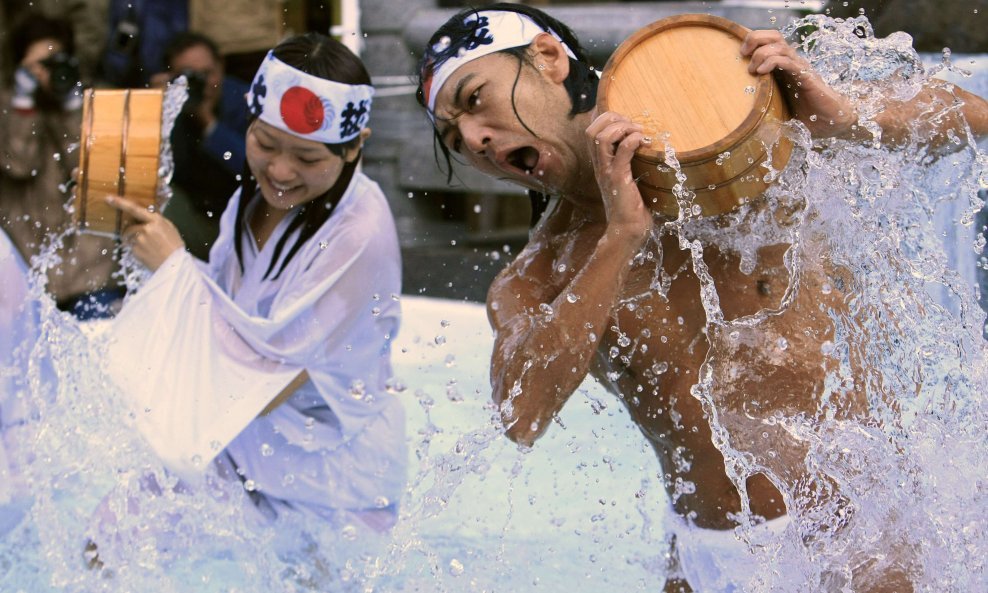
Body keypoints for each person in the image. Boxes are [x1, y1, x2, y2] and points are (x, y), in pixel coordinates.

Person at [414, 4, 988, 592]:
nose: (475, 139)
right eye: (454, 138)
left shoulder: (741, 142)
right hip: (706, 555)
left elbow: (971, 115)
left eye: (475, 99)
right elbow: (522, 417)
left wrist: (842, 117)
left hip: (855, 539)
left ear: (549, 59)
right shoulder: (539, 275)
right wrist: (621, 236)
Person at [98, 33, 406, 537]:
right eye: (264, 143)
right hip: (245, 444)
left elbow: (262, 383)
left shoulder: (361, 234)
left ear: (355, 147)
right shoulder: (256, 194)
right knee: (109, 539)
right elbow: (224, 312)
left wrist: (174, 268)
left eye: (308, 159)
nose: (280, 172)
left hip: (334, 483)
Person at [0, 12, 123, 319]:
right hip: (30, 277)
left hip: (94, 272)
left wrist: (73, 106)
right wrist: (23, 105)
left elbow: (95, 170)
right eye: (36, 66)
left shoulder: (95, 100)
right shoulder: (6, 107)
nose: (46, 74)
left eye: (55, 63)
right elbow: (19, 165)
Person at [152, 31, 251, 259]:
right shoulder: (169, 103)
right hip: (190, 225)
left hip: (240, 226)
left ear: (221, 67)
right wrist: (153, 111)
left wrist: (209, 124)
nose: (203, 84)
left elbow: (252, 167)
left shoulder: (245, 101)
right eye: (190, 77)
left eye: (208, 74)